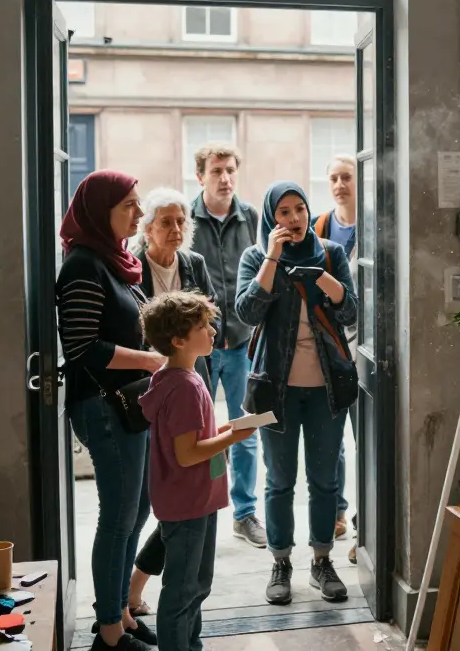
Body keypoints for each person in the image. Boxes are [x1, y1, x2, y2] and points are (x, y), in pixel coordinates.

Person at [235, 181, 359, 605]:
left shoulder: (332, 252)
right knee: (280, 482)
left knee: (325, 482)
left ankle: (322, 561)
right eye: (284, 212)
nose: (294, 219)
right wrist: (272, 257)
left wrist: (321, 277)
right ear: (272, 218)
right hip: (276, 390)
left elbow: (351, 310)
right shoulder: (256, 256)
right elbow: (247, 312)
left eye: (300, 209)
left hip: (326, 387)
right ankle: (281, 562)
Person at [56, 170, 164, 651]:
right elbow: (82, 347)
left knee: (136, 510)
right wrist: (150, 360)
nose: (139, 215)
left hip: (128, 405)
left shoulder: (114, 261)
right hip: (103, 406)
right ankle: (109, 634)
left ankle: (121, 612)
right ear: (101, 212)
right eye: (129, 207)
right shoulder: (83, 265)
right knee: (118, 516)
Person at [139, 291, 256, 651]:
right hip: (190, 502)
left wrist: (224, 431)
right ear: (178, 340)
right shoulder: (185, 386)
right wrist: (234, 438)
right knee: (184, 590)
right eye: (203, 326)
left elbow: (190, 440)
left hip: (195, 500)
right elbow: (188, 455)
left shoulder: (172, 377)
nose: (212, 331)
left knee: (196, 585)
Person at [125, 187, 222, 618]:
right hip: (158, 388)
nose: (176, 229)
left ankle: (138, 583)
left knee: (188, 500)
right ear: (147, 230)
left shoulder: (194, 264)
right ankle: (136, 591)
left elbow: (207, 319)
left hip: (190, 381)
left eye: (182, 220)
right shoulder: (133, 269)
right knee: (165, 496)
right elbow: (142, 335)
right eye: (166, 221)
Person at [188, 143, 267, 548]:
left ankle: (245, 513)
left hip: (244, 343)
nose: (225, 178)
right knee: (198, 435)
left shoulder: (252, 217)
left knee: (246, 428)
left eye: (230, 170)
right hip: (198, 347)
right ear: (200, 175)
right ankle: (199, 513)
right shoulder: (185, 220)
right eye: (216, 171)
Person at [310, 155, 358, 557]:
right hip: (331, 339)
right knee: (333, 434)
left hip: (366, 335)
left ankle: (364, 518)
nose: (340, 184)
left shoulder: (374, 223)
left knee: (363, 434)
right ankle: (338, 511)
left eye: (347, 177)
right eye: (334, 178)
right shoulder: (320, 228)